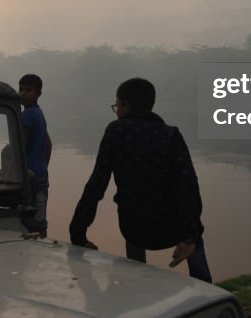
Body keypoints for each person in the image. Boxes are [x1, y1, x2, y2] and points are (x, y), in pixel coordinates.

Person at [69, 77, 212, 283]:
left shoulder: (115, 131)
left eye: (116, 106)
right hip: (172, 227)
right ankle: (208, 295)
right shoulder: (171, 135)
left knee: (134, 263)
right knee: (196, 242)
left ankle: (136, 287)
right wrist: (191, 235)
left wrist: (78, 233)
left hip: (134, 227)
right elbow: (188, 186)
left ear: (126, 105)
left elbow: (96, 185)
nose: (116, 111)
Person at [18, 74, 52, 237]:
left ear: (38, 93)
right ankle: (44, 245)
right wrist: (43, 166)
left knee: (28, 219)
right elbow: (48, 144)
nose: (23, 93)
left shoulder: (27, 115)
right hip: (41, 175)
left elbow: (20, 148)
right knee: (41, 218)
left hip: (28, 177)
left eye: (28, 90)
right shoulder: (39, 113)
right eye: (21, 89)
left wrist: (10, 168)